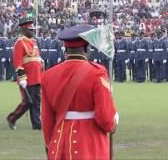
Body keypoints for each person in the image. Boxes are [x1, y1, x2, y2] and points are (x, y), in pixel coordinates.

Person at [41, 25, 119, 160]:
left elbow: (47, 120)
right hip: (89, 142)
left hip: (60, 142)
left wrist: (51, 144)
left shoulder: (48, 75)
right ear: (87, 49)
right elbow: (106, 120)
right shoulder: (97, 73)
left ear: (65, 49)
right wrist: (113, 120)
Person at [6, 18, 42, 130]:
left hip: (37, 76)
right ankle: (12, 118)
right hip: (27, 77)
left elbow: (36, 58)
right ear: (24, 30)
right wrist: (22, 78)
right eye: (30, 30)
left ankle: (36, 124)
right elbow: (17, 61)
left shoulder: (34, 42)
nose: (32, 31)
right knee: (28, 102)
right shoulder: (20, 43)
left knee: (36, 101)